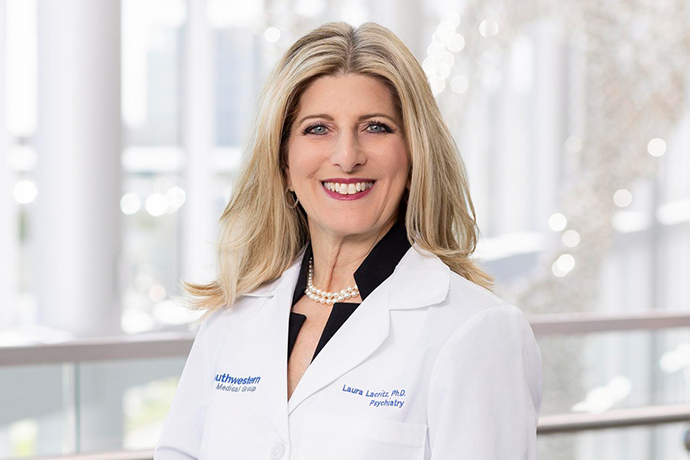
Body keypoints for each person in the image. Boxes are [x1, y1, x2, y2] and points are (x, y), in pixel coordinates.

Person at [154, 20, 542, 460]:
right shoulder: (231, 318)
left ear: (414, 156)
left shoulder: (477, 330)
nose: (347, 156)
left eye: (375, 127)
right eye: (318, 128)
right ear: (283, 162)